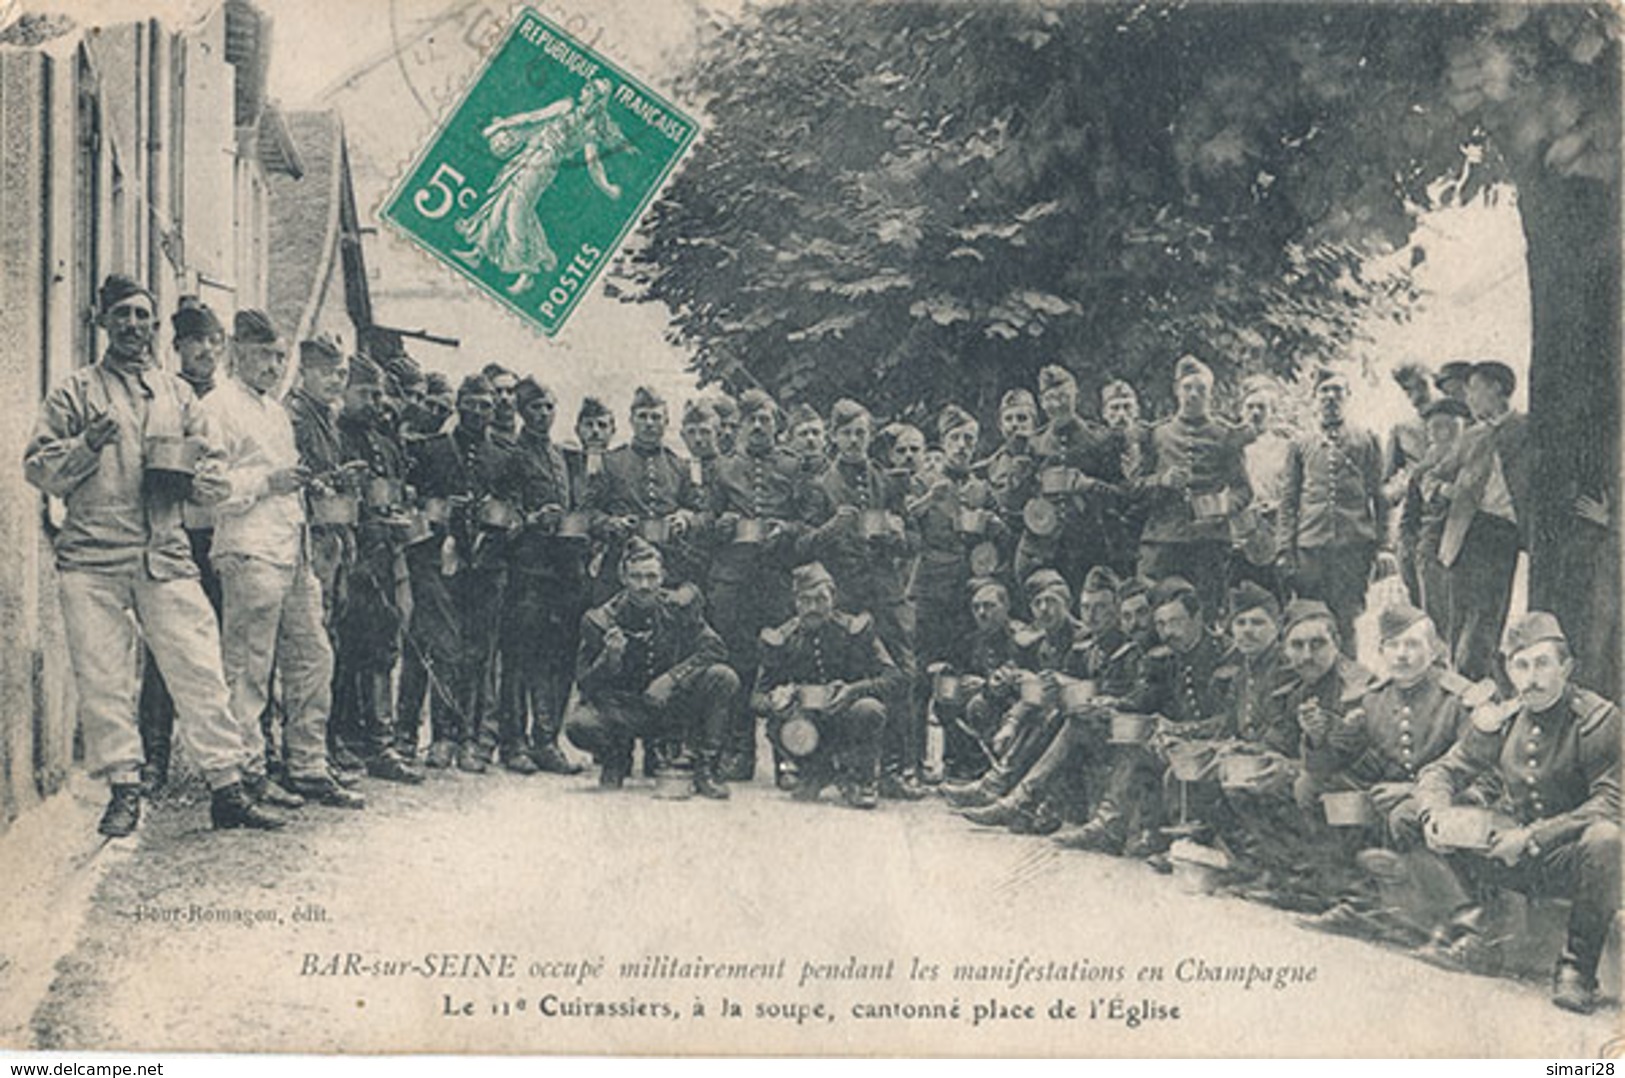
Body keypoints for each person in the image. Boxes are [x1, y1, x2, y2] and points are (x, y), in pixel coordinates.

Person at [25, 275, 275, 834]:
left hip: (164, 553)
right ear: (101, 321)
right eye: (122, 315)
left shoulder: (178, 394)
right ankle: (124, 789)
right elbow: (38, 467)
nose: (132, 325)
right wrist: (88, 444)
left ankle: (227, 787)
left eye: (142, 316)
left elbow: (212, 470)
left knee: (200, 667)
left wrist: (198, 478)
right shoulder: (75, 391)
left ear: (154, 326)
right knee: (105, 677)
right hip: (92, 558)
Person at [1413, 612, 1619, 1013]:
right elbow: (1440, 771)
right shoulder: (1503, 721)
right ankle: (1482, 930)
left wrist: (1531, 837)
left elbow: (1613, 802)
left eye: (1543, 663)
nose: (1531, 677)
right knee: (1459, 820)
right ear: (1509, 671)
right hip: (1514, 851)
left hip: (1571, 858)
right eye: (1520, 665)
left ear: (1567, 667)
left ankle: (1578, 969)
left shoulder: (1596, 720)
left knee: (1608, 838)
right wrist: (1433, 814)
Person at [205, 311, 363, 811]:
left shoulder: (274, 412)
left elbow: (282, 478)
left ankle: (307, 765)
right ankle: (247, 773)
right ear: (237, 351)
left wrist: (304, 484)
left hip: (291, 549)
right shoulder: (216, 407)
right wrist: (265, 484)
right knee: (248, 667)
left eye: (279, 357)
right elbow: (208, 489)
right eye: (265, 356)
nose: (275, 366)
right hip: (248, 549)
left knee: (313, 655)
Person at [1293, 603, 1470, 940]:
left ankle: (1447, 921)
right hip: (1388, 797)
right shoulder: (1373, 699)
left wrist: (1415, 791)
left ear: (1433, 651)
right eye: (1393, 645)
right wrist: (1317, 738)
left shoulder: (1457, 698)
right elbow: (1346, 763)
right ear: (1381, 651)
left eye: (1413, 645)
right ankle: (1357, 899)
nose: (1402, 655)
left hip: (1448, 798)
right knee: (1313, 789)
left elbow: (1480, 772)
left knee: (1404, 813)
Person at [798, 399, 922, 799]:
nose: (854, 441)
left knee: (901, 677)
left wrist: (898, 537)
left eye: (861, 433)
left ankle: (895, 770)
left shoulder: (886, 482)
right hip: (845, 599)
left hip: (887, 597)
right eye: (847, 433)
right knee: (851, 682)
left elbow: (915, 540)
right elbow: (800, 547)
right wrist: (833, 529)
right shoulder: (820, 487)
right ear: (834, 437)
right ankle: (849, 769)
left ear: (870, 437)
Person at [1061, 577, 1228, 858]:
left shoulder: (1223, 654)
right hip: (1182, 742)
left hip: (1215, 744)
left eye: (1175, 622)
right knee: (1137, 739)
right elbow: (1150, 698)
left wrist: (1181, 729)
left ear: (1198, 617)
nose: (1167, 632)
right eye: (1161, 625)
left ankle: (1121, 827)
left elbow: (1226, 720)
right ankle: (1123, 827)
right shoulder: (1169, 657)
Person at [136, 295, 228, 795]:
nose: (207, 351)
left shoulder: (232, 402)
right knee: (166, 648)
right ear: (177, 347)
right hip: (179, 537)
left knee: (225, 647)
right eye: (196, 342)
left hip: (225, 536)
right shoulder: (164, 397)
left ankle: (233, 761)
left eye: (215, 342)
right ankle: (154, 757)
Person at [404, 374, 519, 772]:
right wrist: (440, 510)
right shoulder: (433, 450)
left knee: (480, 653)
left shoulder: (505, 455)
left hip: (488, 565)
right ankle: (442, 737)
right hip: (440, 561)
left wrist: (495, 516)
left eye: (485, 405)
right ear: (458, 406)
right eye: (470, 403)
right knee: (445, 650)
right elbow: (412, 500)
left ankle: (474, 740)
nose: (477, 412)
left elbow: (514, 508)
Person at [568, 539, 736, 798]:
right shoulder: (599, 620)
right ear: (623, 577)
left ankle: (705, 769)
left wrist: (672, 678)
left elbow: (715, 648)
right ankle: (615, 758)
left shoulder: (679, 609)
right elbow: (585, 683)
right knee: (580, 723)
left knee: (723, 677)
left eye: (651, 577)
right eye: (636, 577)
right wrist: (609, 658)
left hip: (669, 707)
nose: (644, 585)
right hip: (624, 711)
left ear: (662, 577)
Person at [706, 389, 806, 782]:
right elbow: (706, 524)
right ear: (742, 426)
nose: (760, 426)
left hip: (777, 581)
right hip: (734, 582)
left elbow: (809, 519)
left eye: (766, 419)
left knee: (781, 663)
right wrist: (721, 526)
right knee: (738, 665)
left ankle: (787, 755)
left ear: (776, 424)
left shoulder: (793, 466)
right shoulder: (723, 467)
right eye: (753, 420)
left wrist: (790, 529)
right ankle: (739, 752)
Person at [332, 357, 421, 784]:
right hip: (346, 561)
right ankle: (342, 738)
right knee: (342, 652)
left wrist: (400, 518)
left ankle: (379, 742)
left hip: (384, 560)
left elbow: (397, 500)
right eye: (366, 394)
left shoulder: (385, 445)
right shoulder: (332, 438)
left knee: (383, 649)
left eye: (378, 394)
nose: (376, 403)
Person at [453, 77, 625, 295]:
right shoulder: (567, 105)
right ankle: (478, 251)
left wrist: (606, 186)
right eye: (586, 85)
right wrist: (502, 124)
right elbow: (533, 117)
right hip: (529, 154)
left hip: (544, 166)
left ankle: (526, 272)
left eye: (590, 89)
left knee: (517, 211)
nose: (584, 89)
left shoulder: (591, 129)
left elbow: (593, 163)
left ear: (598, 99)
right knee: (501, 197)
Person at [753, 562, 903, 809]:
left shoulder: (855, 630)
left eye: (821, 599)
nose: (813, 608)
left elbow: (894, 677)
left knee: (869, 709)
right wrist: (775, 700)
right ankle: (815, 771)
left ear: (834, 598)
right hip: (807, 723)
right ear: (796, 603)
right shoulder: (782, 639)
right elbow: (756, 696)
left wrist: (854, 690)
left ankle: (861, 780)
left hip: (847, 718)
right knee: (777, 723)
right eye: (806, 600)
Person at [907, 405, 1002, 780]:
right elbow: (905, 527)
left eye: (969, 440)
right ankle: (913, 762)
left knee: (961, 676)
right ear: (942, 442)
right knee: (920, 679)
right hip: (930, 590)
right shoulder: (922, 482)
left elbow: (1002, 540)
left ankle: (958, 762)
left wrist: (994, 526)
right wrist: (931, 496)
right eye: (956, 439)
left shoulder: (981, 487)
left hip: (967, 596)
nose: (963, 446)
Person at [498, 377, 587, 776]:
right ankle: (513, 742)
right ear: (521, 411)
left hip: (561, 570)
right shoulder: (511, 455)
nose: (543, 414)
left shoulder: (560, 455)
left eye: (549, 406)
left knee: (554, 658)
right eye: (534, 408)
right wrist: (532, 520)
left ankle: (546, 741)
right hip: (527, 569)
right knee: (518, 658)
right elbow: (502, 515)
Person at [285, 336, 361, 770]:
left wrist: (339, 477)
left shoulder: (325, 416)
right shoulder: (294, 416)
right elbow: (292, 472)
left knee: (329, 638)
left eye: (341, 373)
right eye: (328, 372)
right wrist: (320, 481)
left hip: (332, 538)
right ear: (306, 372)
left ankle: (323, 744)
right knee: (307, 647)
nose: (336, 380)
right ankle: (299, 751)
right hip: (306, 541)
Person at [1276, 368, 1389, 652]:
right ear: (1315, 398)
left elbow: (1379, 496)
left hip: (1353, 548)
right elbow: (1289, 500)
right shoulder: (1300, 443)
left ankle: (1348, 687)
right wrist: (1284, 550)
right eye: (1324, 391)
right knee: (1310, 620)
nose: (1330, 397)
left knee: (1347, 621)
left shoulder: (1366, 439)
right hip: (1310, 548)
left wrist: (1383, 545)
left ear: (1348, 396)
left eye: (1337, 390)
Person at [1134, 355, 1251, 619]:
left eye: (1201, 389)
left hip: (1207, 542)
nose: (1193, 394)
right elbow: (1135, 486)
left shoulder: (1224, 436)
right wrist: (1161, 481)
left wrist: (1222, 507)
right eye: (1188, 388)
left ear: (1210, 394)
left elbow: (1243, 490)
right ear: (1177, 391)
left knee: (1207, 613)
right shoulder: (1157, 434)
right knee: (1156, 611)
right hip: (1163, 540)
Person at [1439, 361, 1529, 682]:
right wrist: (1442, 489)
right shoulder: (1472, 436)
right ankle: (1464, 683)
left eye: (1474, 389)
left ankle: (1473, 682)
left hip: (1501, 533)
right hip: (1464, 534)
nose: (1469, 398)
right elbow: (1434, 475)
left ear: (1498, 388)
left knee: (1485, 617)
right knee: (1459, 616)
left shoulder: (1527, 428)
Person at [1016, 365, 1124, 591]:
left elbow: (1122, 494)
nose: (1057, 405)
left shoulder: (1100, 439)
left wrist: (1090, 485)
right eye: (1050, 398)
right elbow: (1024, 500)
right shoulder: (1035, 443)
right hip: (1046, 548)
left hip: (1089, 545)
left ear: (1076, 395)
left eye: (1064, 397)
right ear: (1042, 402)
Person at [586, 386, 702, 588]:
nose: (649, 423)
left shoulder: (680, 465)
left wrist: (684, 518)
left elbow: (696, 509)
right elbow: (589, 512)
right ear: (631, 421)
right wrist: (611, 523)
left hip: (669, 562)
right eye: (643, 416)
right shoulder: (610, 462)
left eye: (656, 417)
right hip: (621, 560)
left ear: (666, 422)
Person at [1400, 397, 1470, 646]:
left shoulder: (1474, 462)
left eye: (1449, 426)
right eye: (1435, 428)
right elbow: (1408, 522)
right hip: (1433, 555)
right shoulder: (1422, 471)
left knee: (1468, 628)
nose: (1441, 433)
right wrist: (1408, 560)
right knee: (1438, 625)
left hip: (1471, 555)